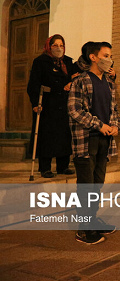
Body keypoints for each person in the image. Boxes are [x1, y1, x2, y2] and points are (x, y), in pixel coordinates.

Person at [68, 41, 120, 244]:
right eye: (105, 55)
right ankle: (84, 229)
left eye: (109, 56)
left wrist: (115, 125)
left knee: (97, 184)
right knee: (86, 186)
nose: (109, 60)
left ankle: (93, 220)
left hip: (104, 141)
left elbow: (113, 110)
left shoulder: (108, 83)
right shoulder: (80, 80)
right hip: (86, 140)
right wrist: (99, 125)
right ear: (93, 57)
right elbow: (75, 110)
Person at [27, 34, 76, 178]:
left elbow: (76, 77)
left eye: (61, 45)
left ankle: (63, 166)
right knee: (46, 136)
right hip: (47, 104)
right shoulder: (41, 61)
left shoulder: (67, 62)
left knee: (64, 135)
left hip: (64, 104)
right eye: (55, 45)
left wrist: (71, 83)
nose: (59, 48)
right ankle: (45, 168)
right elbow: (33, 84)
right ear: (49, 46)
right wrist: (35, 103)